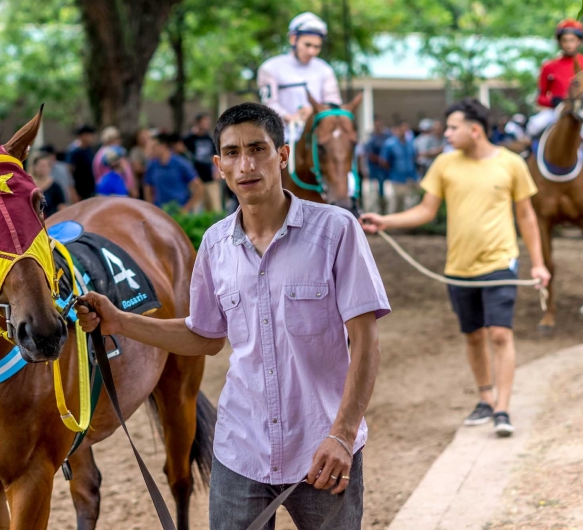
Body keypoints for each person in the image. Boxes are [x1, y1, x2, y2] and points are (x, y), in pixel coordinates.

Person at [76, 102, 390, 529]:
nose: (246, 164)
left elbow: (367, 343)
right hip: (240, 450)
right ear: (219, 165)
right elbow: (204, 336)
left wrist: (342, 434)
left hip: (322, 448)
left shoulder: (336, 231)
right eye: (233, 153)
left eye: (258, 149)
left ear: (281, 155)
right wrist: (120, 322)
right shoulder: (215, 244)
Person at [361, 98, 551, 437]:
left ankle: (503, 409)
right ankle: (486, 398)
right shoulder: (444, 165)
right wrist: (385, 221)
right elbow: (425, 211)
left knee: (500, 333)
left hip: (499, 263)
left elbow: (526, 216)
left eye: (452, 127)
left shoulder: (511, 164)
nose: (445, 133)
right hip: (458, 268)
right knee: (474, 336)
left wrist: (538, 264)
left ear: (474, 130)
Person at [527, 19, 583, 172]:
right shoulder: (549, 66)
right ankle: (527, 166)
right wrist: (552, 101)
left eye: (572, 40)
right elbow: (540, 97)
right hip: (556, 111)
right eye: (565, 40)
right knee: (533, 126)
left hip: (581, 113)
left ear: (580, 41)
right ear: (559, 42)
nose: (568, 44)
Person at [257, 12, 341, 141]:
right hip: (281, 139)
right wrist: (290, 117)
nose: (312, 51)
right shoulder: (270, 67)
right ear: (293, 39)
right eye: (307, 45)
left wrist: (313, 110)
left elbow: (333, 102)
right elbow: (269, 104)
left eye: (317, 47)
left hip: (316, 139)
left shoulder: (325, 69)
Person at [143, 132, 203, 213]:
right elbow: (147, 186)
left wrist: (187, 208)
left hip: (179, 211)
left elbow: (199, 187)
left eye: (154, 146)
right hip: (160, 212)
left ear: (163, 146)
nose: (151, 150)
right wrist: (151, 208)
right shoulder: (152, 165)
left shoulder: (181, 163)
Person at [183, 113, 221, 212]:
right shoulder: (188, 139)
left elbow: (215, 156)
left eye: (207, 123)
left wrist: (217, 171)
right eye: (203, 123)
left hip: (209, 178)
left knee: (215, 207)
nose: (206, 125)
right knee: (196, 208)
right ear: (197, 123)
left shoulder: (210, 139)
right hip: (195, 179)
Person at [380, 123, 418, 214]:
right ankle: (393, 226)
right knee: (396, 203)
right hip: (396, 177)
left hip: (411, 177)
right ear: (397, 130)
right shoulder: (390, 144)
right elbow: (383, 161)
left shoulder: (410, 143)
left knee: (409, 204)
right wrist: (392, 170)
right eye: (402, 129)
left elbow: (414, 157)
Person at [93, 126, 138, 198]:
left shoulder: (98, 155)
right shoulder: (118, 152)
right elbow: (127, 172)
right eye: (117, 139)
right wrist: (132, 188)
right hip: (118, 190)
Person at [363, 115, 391, 214]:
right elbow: (369, 154)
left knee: (387, 195)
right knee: (374, 194)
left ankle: (385, 212)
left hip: (387, 170)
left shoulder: (388, 136)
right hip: (375, 169)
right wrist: (382, 160)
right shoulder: (371, 139)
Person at [29, 152, 67, 218]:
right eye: (40, 166)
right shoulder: (29, 186)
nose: (42, 169)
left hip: (51, 221)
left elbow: (62, 207)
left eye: (44, 166)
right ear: (34, 167)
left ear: (49, 168)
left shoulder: (56, 186)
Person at [66, 125, 97, 201]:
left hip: (90, 189)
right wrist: (74, 192)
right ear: (82, 136)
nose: (91, 137)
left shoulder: (89, 149)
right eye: (89, 135)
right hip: (79, 191)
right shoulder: (74, 151)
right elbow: (69, 171)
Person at [129, 128, 153, 197]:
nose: (144, 139)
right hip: (141, 185)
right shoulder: (136, 151)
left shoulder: (152, 150)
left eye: (146, 136)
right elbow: (137, 168)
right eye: (142, 137)